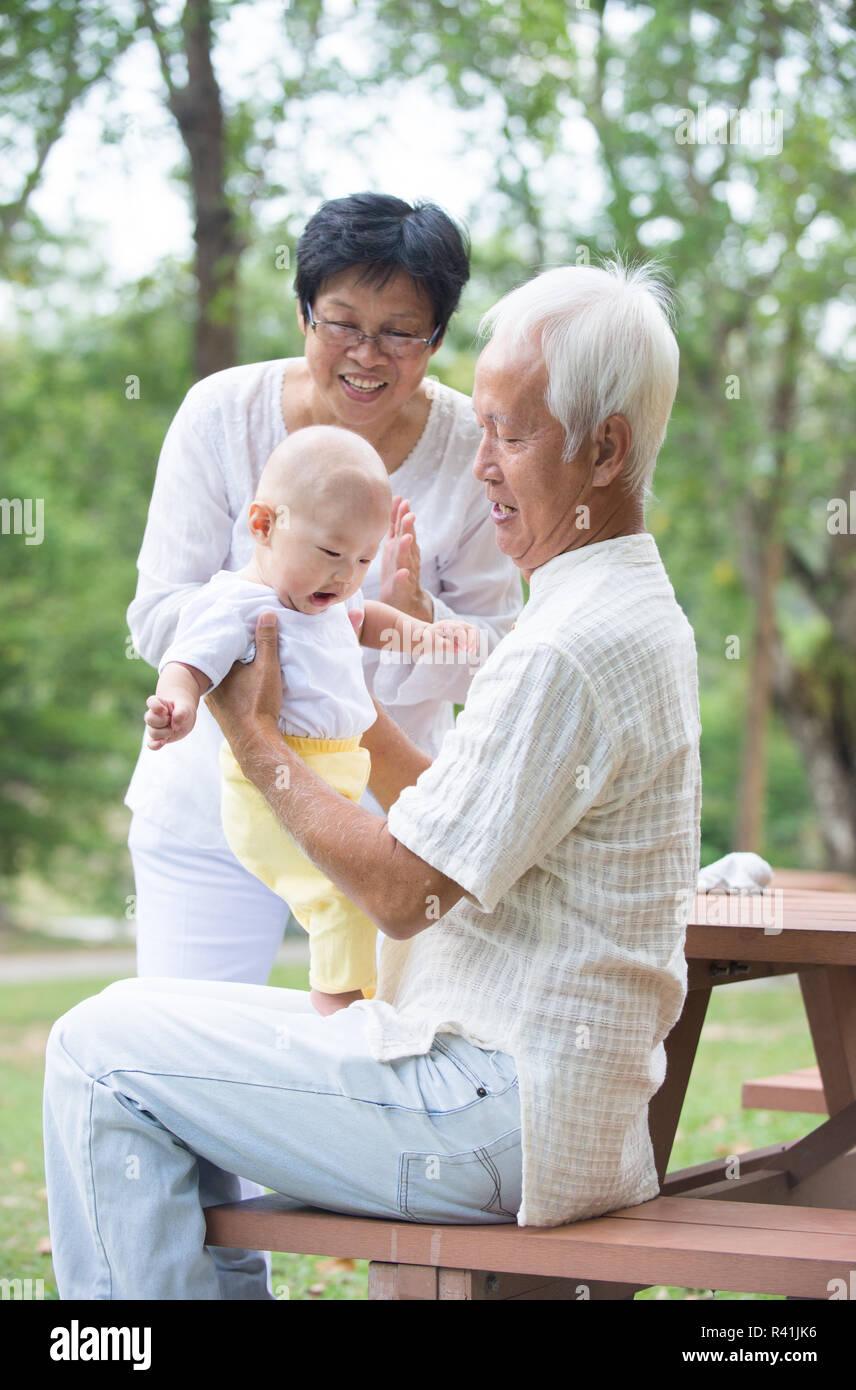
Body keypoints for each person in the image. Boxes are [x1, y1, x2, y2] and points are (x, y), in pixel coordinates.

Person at [43, 258, 703, 1300]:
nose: (478, 465)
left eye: (510, 433)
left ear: (606, 447)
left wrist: (254, 734)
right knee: (145, 1026)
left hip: (490, 1113)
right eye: (479, 427)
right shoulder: (614, 611)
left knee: (96, 1047)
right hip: (524, 1094)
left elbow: (403, 893)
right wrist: (337, 690)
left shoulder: (566, 646)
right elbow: (449, 814)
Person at [125, 192, 523, 986]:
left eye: (400, 332)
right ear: (304, 313)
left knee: (371, 1044)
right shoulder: (220, 415)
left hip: (386, 818)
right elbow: (156, 613)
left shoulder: (474, 453)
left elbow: (500, 654)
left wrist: (418, 625)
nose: (367, 355)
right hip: (212, 799)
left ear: (436, 337)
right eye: (342, 322)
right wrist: (259, 632)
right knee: (186, 1045)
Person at [145, 426, 478, 1015]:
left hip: (337, 774)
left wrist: (423, 635)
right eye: (330, 553)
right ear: (264, 526)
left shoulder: (328, 594)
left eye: (363, 559)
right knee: (343, 897)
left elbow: (365, 618)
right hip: (267, 791)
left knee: (369, 893)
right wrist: (180, 703)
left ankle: (366, 998)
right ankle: (339, 1019)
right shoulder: (241, 604)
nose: (345, 576)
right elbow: (187, 659)